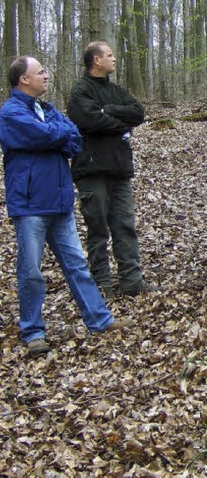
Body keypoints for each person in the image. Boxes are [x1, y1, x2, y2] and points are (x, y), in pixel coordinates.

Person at [0, 57, 131, 356]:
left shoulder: (46, 110)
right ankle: (32, 331)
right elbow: (44, 135)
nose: (46, 75)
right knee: (31, 271)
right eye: (40, 72)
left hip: (60, 202)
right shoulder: (10, 112)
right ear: (23, 79)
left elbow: (74, 140)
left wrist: (55, 136)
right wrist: (55, 136)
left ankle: (99, 319)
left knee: (77, 265)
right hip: (30, 204)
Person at [66, 42, 153, 298]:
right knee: (97, 227)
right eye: (110, 55)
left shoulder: (116, 91)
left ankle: (132, 280)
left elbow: (138, 112)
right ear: (96, 60)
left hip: (120, 168)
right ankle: (102, 283)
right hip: (91, 170)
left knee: (125, 225)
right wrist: (119, 124)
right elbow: (89, 120)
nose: (114, 59)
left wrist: (110, 111)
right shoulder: (81, 91)